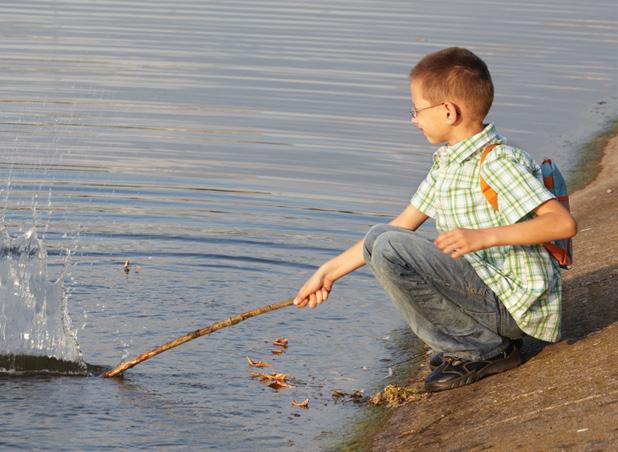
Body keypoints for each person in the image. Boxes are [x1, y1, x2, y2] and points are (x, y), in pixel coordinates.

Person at [292, 47, 577, 392]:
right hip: (489, 297)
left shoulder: (498, 162)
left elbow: (561, 223)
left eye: (417, 110)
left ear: (448, 112)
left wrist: (483, 236)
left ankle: (480, 348)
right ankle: (473, 340)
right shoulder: (448, 164)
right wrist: (328, 272)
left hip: (514, 308)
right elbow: (399, 226)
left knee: (389, 247)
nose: (414, 119)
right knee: (381, 237)